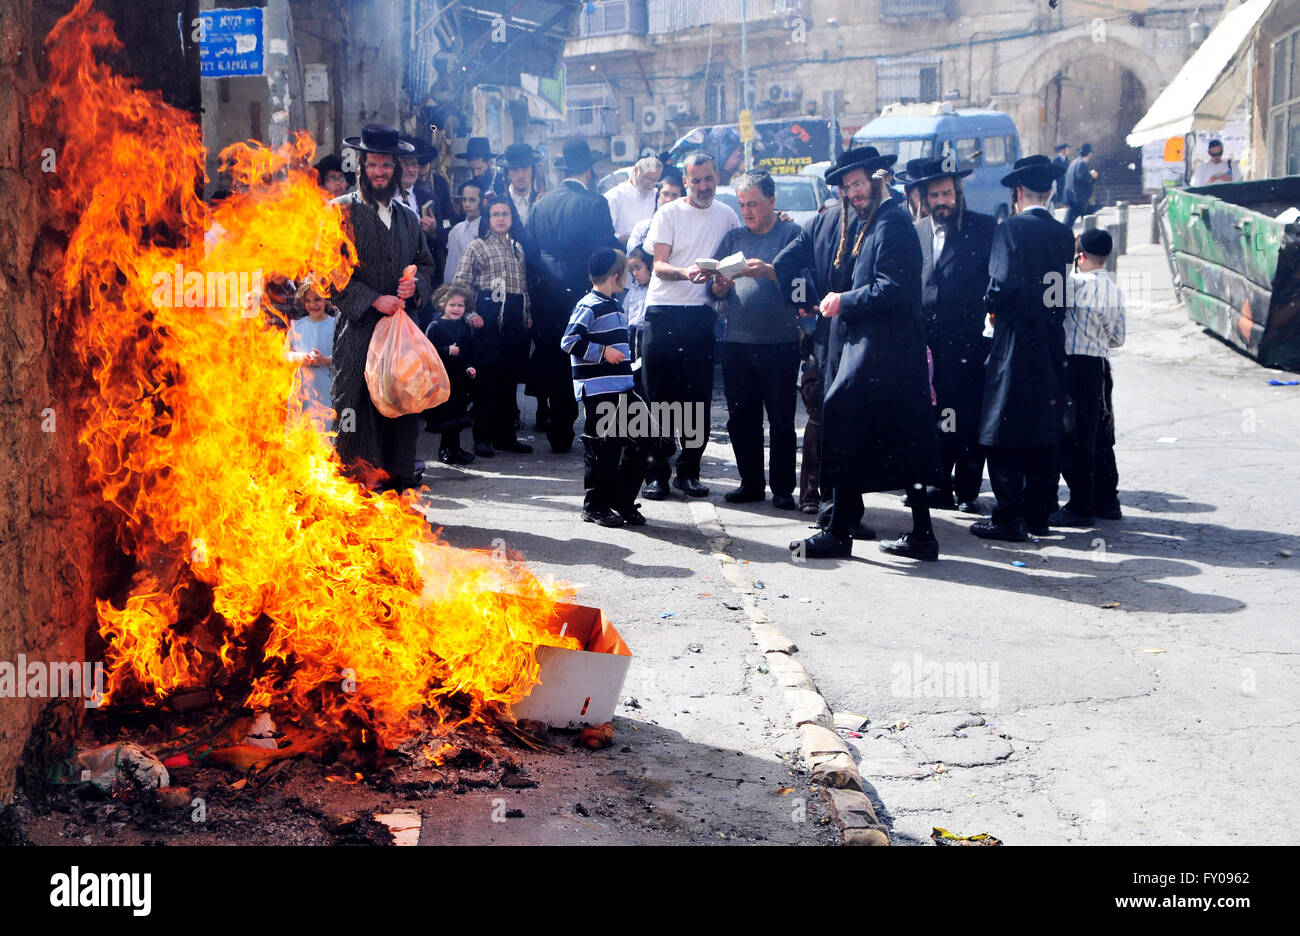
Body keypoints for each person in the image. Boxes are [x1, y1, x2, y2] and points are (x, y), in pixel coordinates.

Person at [785, 147, 943, 561]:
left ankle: (840, 530)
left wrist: (844, 300)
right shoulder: (875, 220)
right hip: (880, 348)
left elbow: (893, 288)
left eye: (857, 183)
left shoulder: (892, 224)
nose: (852, 193)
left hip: (883, 348)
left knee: (845, 417)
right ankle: (920, 534)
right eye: (846, 187)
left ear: (878, 178)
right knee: (903, 438)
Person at [329, 124, 437, 493]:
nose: (379, 172)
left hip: (403, 335)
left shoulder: (407, 216)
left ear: (396, 168)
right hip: (358, 334)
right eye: (372, 164)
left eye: (385, 166)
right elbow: (327, 272)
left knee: (402, 408)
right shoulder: (339, 212)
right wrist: (373, 298)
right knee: (352, 412)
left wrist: (415, 285)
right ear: (360, 165)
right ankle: (355, 497)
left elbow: (426, 264)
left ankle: (398, 494)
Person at [972, 155, 1074, 541]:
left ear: (1017, 193)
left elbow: (1000, 285)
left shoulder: (1010, 229)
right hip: (1049, 338)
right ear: (1049, 193)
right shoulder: (1064, 234)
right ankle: (1039, 514)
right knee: (1043, 426)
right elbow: (1058, 293)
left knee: (1004, 425)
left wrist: (990, 308)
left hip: (1014, 339)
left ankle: (1008, 515)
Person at [640, 151, 741, 499]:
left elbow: (737, 255)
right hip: (663, 311)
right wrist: (685, 273)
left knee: (697, 399)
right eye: (695, 180)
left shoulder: (727, 215)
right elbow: (659, 264)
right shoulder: (668, 213)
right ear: (685, 181)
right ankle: (656, 474)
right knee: (658, 398)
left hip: (701, 315)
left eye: (708, 178)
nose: (702, 186)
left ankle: (690, 472)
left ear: (716, 177)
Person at [708, 170, 803, 510]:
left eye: (754, 204)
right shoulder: (733, 239)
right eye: (742, 204)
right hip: (737, 342)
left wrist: (770, 271)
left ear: (772, 202)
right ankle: (750, 482)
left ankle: (781, 488)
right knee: (741, 417)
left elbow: (805, 285)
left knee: (780, 418)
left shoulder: (792, 235)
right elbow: (713, 289)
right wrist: (720, 285)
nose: (747, 211)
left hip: (779, 341)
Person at [910, 156, 997, 513]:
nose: (941, 200)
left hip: (967, 342)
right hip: (927, 345)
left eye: (947, 193)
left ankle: (968, 490)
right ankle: (939, 485)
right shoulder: (915, 232)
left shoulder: (983, 228)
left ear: (957, 194)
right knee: (936, 417)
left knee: (966, 417)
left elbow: (995, 280)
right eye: (935, 195)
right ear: (925, 199)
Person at [526, 138, 622, 454]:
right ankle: (595, 431)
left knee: (555, 357)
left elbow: (531, 250)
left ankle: (559, 430)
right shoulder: (595, 203)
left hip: (547, 291)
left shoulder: (542, 203)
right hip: (582, 288)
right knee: (587, 356)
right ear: (590, 171)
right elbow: (605, 251)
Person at [561, 248, 648, 528]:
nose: (630, 277)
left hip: (622, 386)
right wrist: (602, 352)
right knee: (603, 448)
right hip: (598, 390)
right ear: (616, 277)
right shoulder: (589, 304)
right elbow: (569, 341)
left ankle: (621, 498)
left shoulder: (615, 305)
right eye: (626, 273)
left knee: (645, 438)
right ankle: (595, 505)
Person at [1052, 228, 1125, 525]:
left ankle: (1081, 507)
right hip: (1100, 368)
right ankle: (1108, 501)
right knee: (1100, 435)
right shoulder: (1114, 289)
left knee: (1073, 438)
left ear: (1080, 256)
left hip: (1073, 368)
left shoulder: (1072, 285)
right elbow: (1118, 339)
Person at [452, 194, 533, 457]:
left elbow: (522, 286)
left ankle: (506, 436)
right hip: (487, 318)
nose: (500, 219)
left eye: (505, 214)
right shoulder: (477, 246)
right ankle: (482, 438)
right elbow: (461, 283)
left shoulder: (517, 249)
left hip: (513, 320)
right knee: (486, 380)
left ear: (512, 218)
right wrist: (469, 314)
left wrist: (527, 313)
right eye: (495, 214)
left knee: (509, 381)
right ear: (488, 219)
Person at [423, 283, 478, 465]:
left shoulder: (463, 326)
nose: (456, 309)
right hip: (441, 379)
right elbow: (426, 353)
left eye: (460, 305)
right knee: (446, 417)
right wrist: (446, 350)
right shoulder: (435, 326)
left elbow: (467, 351)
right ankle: (445, 450)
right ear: (443, 305)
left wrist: (469, 366)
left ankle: (455, 449)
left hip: (458, 379)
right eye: (452, 305)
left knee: (457, 417)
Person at [285, 280, 336, 438]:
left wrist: (325, 360)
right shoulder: (297, 326)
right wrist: (302, 357)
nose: (312, 304)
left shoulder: (335, 324)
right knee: (302, 434)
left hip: (326, 389)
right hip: (303, 390)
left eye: (317, 299)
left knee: (326, 434)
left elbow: (344, 358)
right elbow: (285, 354)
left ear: (326, 299)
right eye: (308, 300)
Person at [606, 156, 663, 245]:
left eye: (655, 180)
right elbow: (607, 233)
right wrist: (633, 238)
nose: (651, 185)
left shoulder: (657, 195)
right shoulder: (615, 196)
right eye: (647, 178)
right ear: (636, 171)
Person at [627, 170, 684, 256]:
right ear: (658, 197)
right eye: (665, 194)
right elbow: (632, 257)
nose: (668, 199)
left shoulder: (688, 229)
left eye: (674, 195)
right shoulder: (642, 228)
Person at [444, 179, 482, 284]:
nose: (467, 204)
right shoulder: (456, 229)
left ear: (481, 201)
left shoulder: (484, 230)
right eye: (464, 200)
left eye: (472, 200)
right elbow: (450, 263)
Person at [498, 143, 543, 230]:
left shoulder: (542, 202)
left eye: (525, 168)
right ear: (507, 173)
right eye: (514, 170)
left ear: (532, 171)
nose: (520, 176)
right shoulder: (498, 203)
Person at [1062, 142, 1099, 230]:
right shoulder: (1081, 164)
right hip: (1078, 198)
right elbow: (1083, 177)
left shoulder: (1075, 162)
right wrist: (1092, 176)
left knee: (1070, 221)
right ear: (1089, 154)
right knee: (1086, 220)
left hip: (1073, 197)